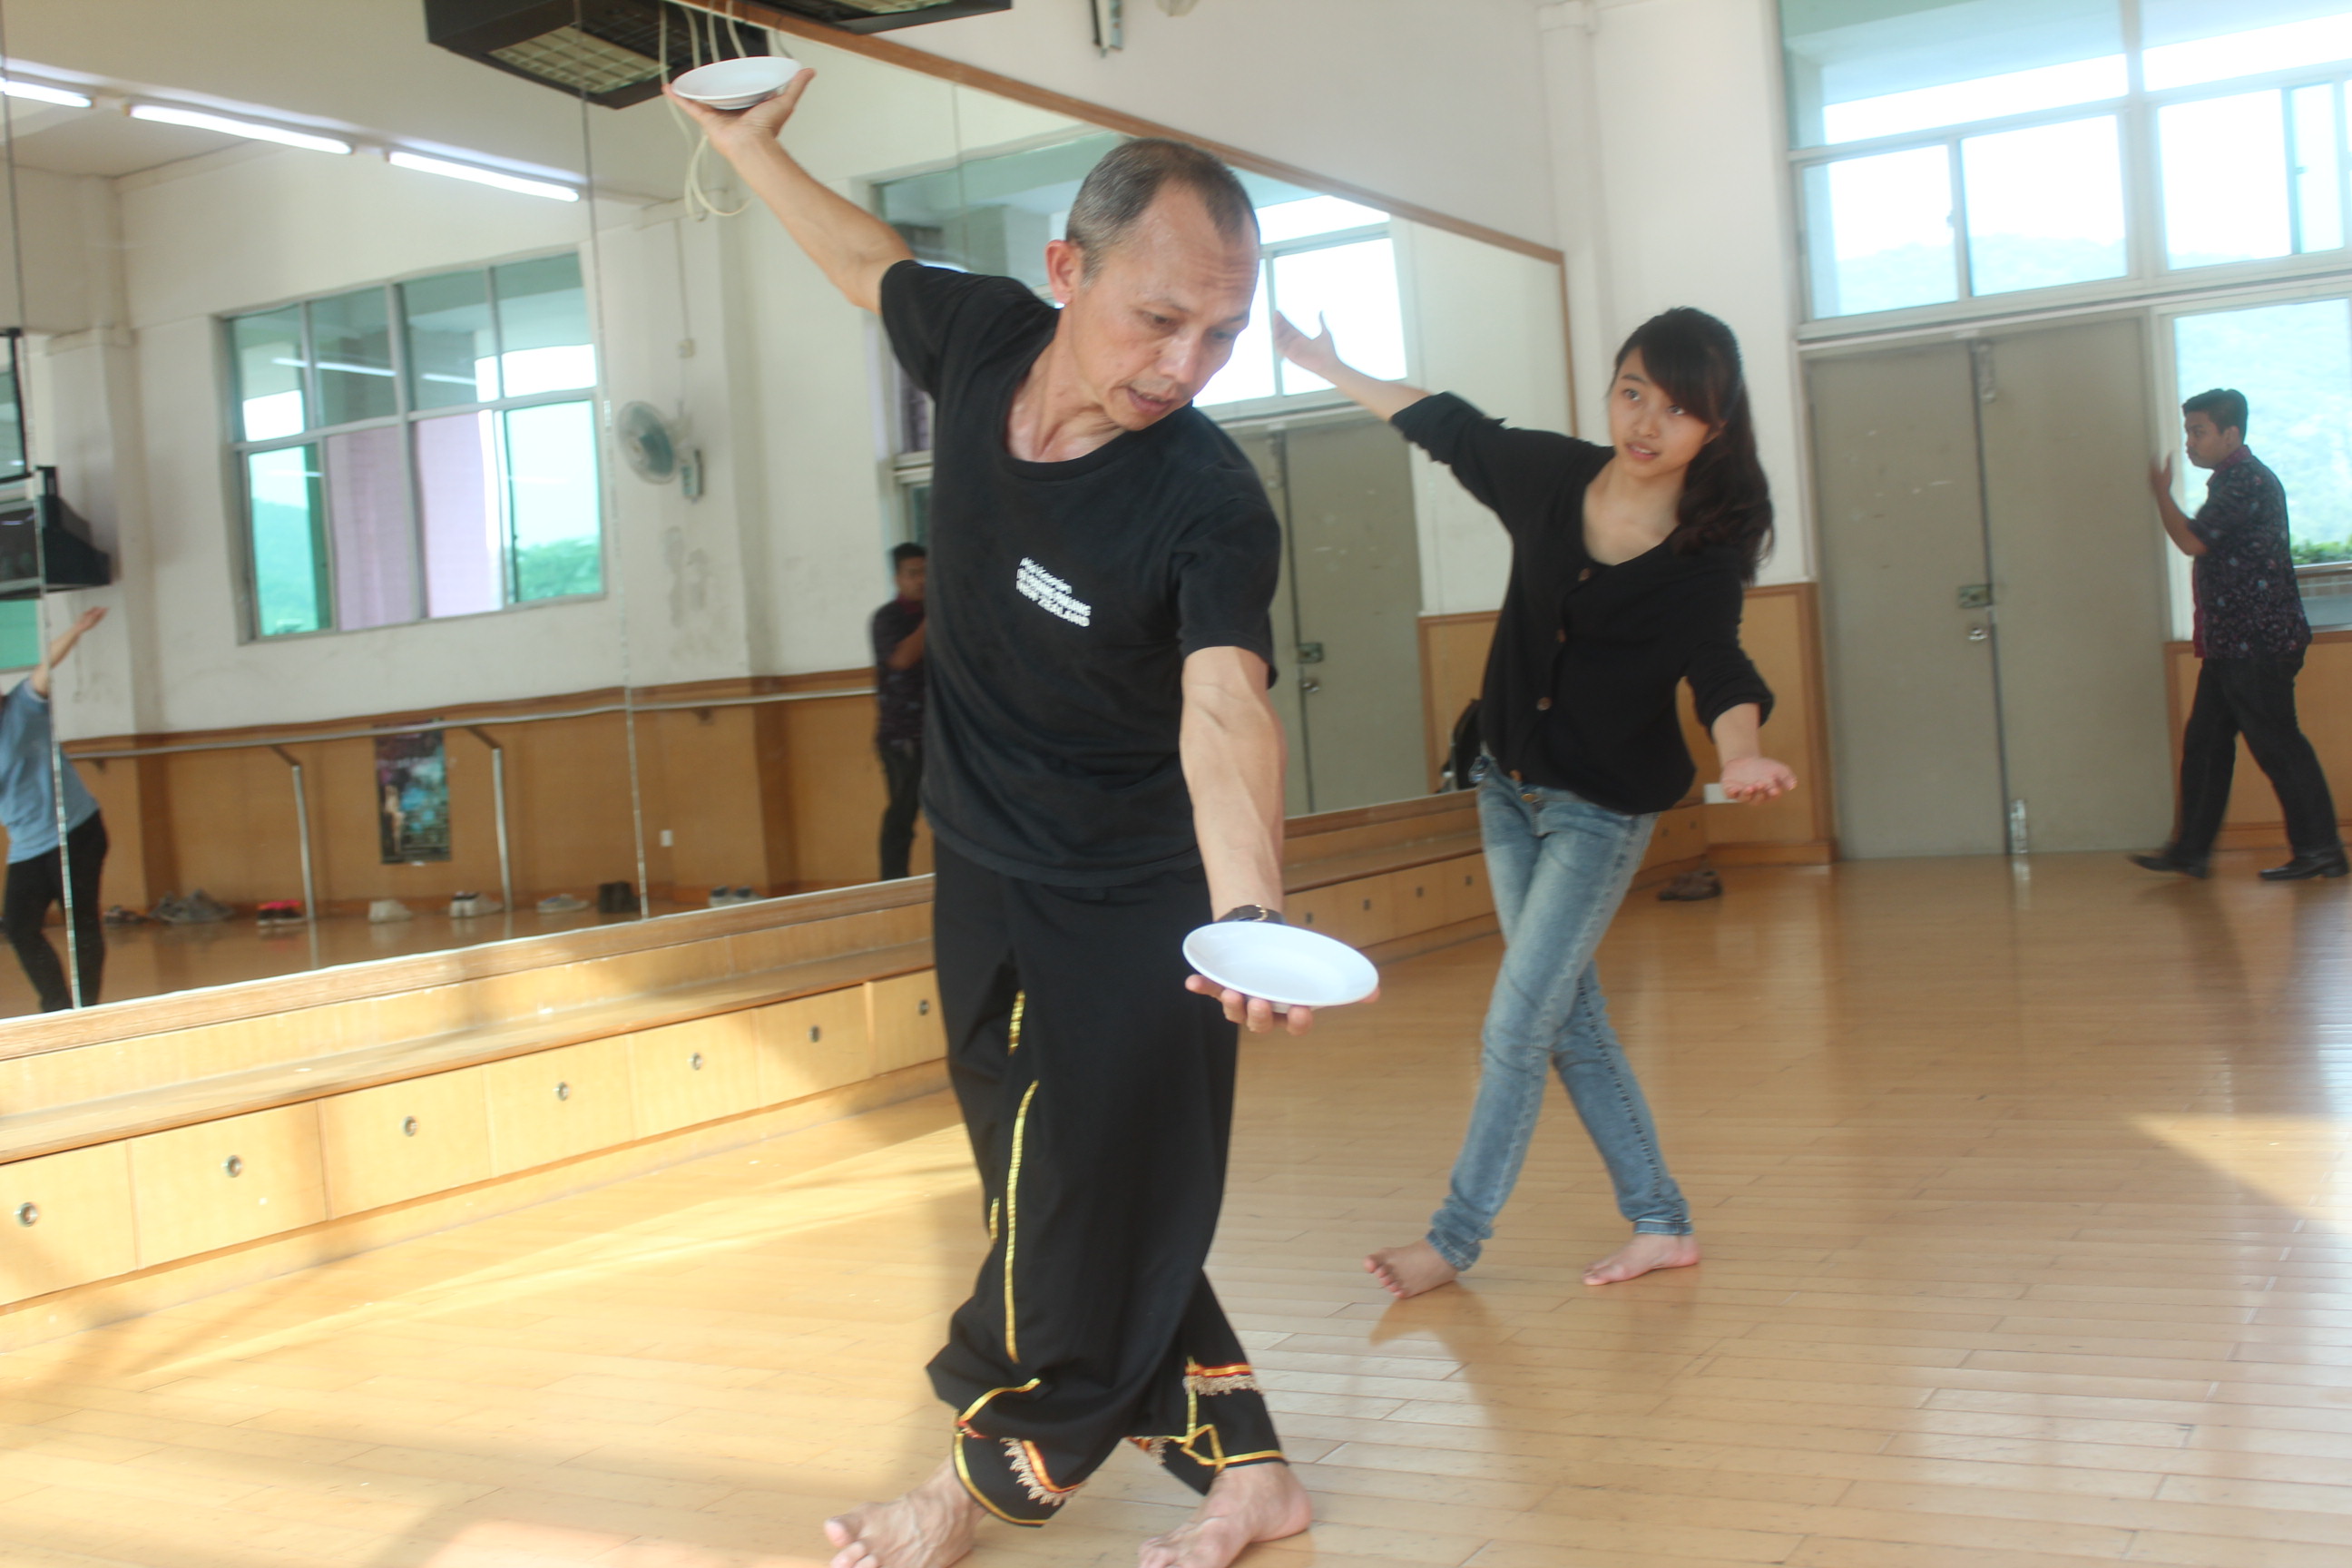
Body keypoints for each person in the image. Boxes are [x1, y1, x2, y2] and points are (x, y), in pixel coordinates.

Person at [675, 70, 1318, 1568]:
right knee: (1056, 1182)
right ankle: (1252, 1469)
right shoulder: (978, 341)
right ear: (1064, 269)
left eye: (1223, 333)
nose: (1187, 363)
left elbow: (1223, 706)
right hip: (980, 860)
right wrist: (744, 150)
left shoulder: (1208, 502)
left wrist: (1248, 912)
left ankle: (973, 1484)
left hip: (1137, 897)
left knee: (1071, 1189)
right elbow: (865, 261)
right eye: (1159, 317)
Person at [1272, 307, 1795, 1298]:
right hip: (1505, 784)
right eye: (1633, 392)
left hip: (1600, 811)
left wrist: (1744, 752)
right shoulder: (1552, 477)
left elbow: (1721, 667)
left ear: (1715, 428)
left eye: (1678, 409)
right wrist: (1325, 363)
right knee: (1564, 1022)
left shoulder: (1704, 554)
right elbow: (1447, 425)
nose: (1646, 422)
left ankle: (1453, 1241)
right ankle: (1661, 1222)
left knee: (1517, 1026)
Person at [2132, 388, 2344, 882]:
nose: (2190, 442)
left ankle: (2321, 850)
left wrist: (2160, 492)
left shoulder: (2246, 480)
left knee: (2278, 745)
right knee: (2206, 742)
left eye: (2199, 431)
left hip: (2258, 643)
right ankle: (2190, 851)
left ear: (2231, 434)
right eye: (2188, 431)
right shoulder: (2231, 480)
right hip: (2233, 645)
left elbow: (2192, 540)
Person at [1, 606, 109, 1011]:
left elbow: (46, 666)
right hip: (28, 843)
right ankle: (58, 1005)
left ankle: (85, 1008)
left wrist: (77, 629)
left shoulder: (23, 706)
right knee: (19, 926)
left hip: (75, 831)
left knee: (80, 922)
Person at [873, 542, 929, 881]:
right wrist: (934, 617)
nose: (922, 580)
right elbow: (902, 658)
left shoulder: (947, 614)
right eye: (913, 573)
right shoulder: (888, 618)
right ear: (897, 578)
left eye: (927, 573)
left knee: (956, 813)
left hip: (944, 733)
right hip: (902, 736)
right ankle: (892, 887)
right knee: (902, 815)